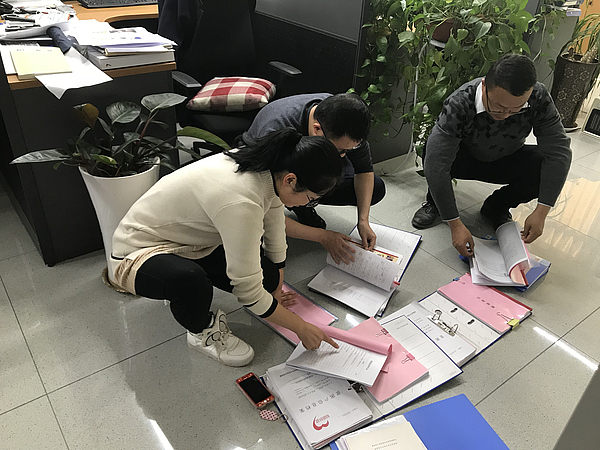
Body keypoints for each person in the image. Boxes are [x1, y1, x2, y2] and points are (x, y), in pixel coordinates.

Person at [109, 128, 342, 367]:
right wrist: (301, 327)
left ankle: (183, 280)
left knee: (269, 278)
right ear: (290, 180)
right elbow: (248, 293)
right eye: (311, 199)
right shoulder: (241, 200)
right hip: (137, 252)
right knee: (191, 282)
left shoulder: (270, 167)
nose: (308, 205)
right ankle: (200, 331)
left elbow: (275, 226)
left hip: (192, 243)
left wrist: (276, 288)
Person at [411, 54, 572, 257]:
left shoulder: (538, 97)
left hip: (507, 158)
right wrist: (454, 223)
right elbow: (436, 164)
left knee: (543, 163)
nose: (505, 115)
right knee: (433, 150)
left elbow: (559, 151)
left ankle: (496, 207)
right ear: (485, 86)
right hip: (463, 159)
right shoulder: (460, 102)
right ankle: (434, 203)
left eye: (516, 109)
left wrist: (542, 211)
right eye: (499, 107)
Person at [240, 93, 386, 264]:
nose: (344, 155)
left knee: (375, 188)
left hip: (306, 164)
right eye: (340, 150)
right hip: (266, 168)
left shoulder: (345, 120)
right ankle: (301, 205)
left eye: (349, 150)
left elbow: (364, 170)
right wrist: (322, 236)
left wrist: (363, 221)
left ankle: (303, 204)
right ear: (317, 130)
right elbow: (266, 213)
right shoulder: (274, 131)